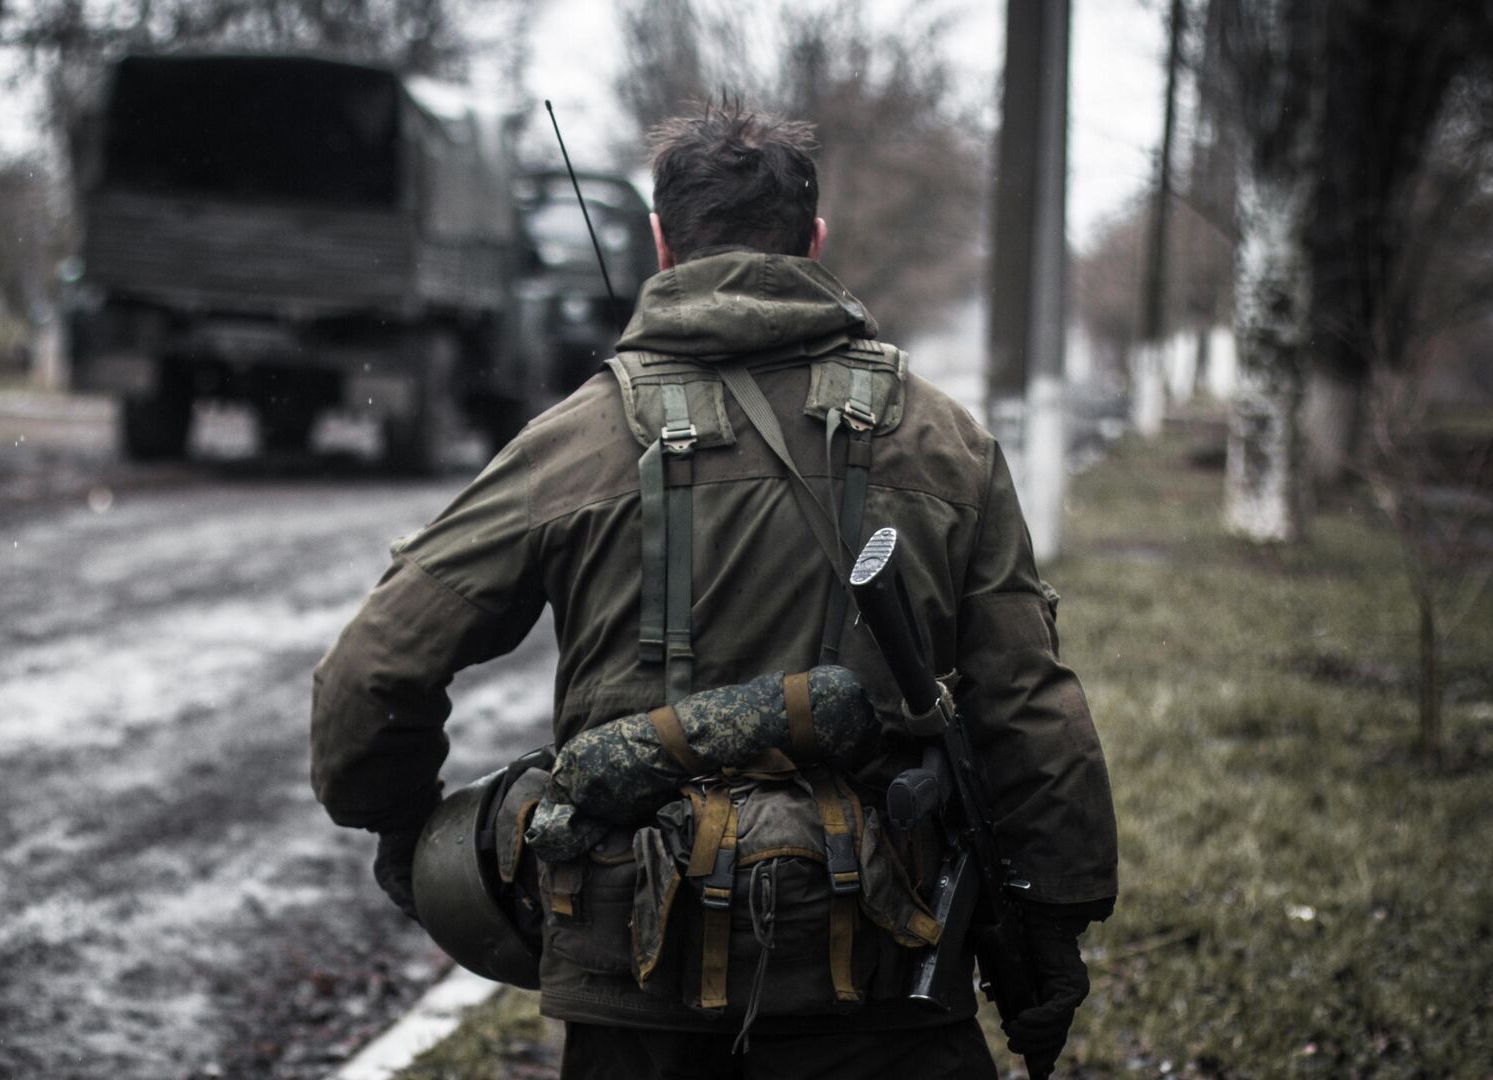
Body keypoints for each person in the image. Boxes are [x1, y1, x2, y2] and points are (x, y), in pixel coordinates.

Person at [310, 104, 1119, 1079]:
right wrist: (1053, 926)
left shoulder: (576, 439)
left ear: (661, 245)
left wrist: (408, 831)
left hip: (636, 985)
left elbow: (370, 673)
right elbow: (1027, 705)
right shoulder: (945, 441)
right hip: (887, 978)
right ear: (814, 244)